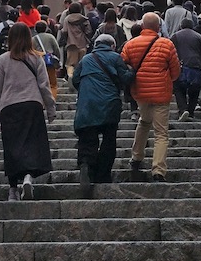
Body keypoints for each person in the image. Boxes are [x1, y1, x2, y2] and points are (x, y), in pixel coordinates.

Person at [0, 22, 56, 201]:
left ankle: (12, 189)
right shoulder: (37, 58)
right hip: (32, 105)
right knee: (32, 144)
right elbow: (44, 86)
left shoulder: (3, 60)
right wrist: (50, 109)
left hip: (9, 107)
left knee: (12, 146)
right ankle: (29, 176)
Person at [121, 12, 181, 183]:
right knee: (161, 132)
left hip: (140, 92)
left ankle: (136, 157)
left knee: (144, 121)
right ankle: (158, 169)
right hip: (161, 93)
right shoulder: (166, 44)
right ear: (158, 27)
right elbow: (175, 71)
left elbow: (122, 65)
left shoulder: (130, 44)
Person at [72, 33, 135, 189]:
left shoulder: (85, 59)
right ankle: (103, 175)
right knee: (108, 141)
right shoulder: (115, 58)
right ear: (112, 45)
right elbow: (125, 78)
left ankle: (86, 165)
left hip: (87, 106)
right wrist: (132, 71)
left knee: (87, 140)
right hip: (109, 104)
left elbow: (75, 79)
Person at [171, 18, 201, 121]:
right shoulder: (199, 36)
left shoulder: (175, 36)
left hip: (180, 66)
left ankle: (183, 109)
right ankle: (191, 112)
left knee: (178, 89)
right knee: (194, 91)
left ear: (181, 25)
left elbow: (171, 51)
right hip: (196, 66)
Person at [61, 1, 92, 78]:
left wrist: (66, 39)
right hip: (82, 44)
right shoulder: (84, 19)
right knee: (81, 64)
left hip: (71, 44)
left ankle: (71, 79)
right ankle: (80, 79)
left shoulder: (67, 19)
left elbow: (64, 31)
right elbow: (89, 32)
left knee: (70, 64)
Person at [33, 20, 61, 100]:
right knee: (52, 83)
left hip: (38, 62)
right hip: (50, 61)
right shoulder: (50, 37)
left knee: (40, 82)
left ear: (35, 29)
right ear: (46, 28)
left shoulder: (34, 39)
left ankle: (42, 100)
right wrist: (57, 59)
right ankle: (52, 99)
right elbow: (56, 48)